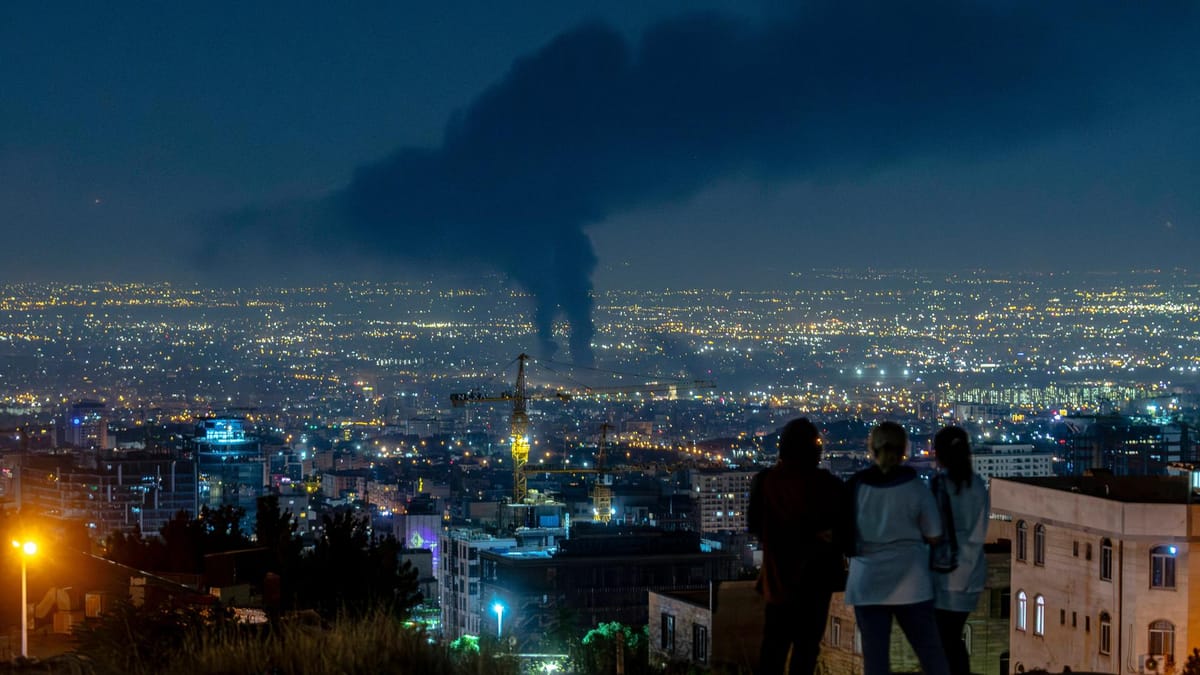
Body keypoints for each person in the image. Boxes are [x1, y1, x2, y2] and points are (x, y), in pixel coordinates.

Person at [845, 421, 950, 675]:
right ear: (904, 450)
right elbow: (935, 534)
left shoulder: (856, 487)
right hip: (911, 582)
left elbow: (843, 533)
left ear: (871, 448)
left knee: (876, 660)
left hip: (867, 582)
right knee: (931, 654)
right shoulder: (916, 489)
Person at [748, 418, 847, 675]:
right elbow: (844, 534)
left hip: (778, 580)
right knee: (805, 653)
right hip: (817, 583)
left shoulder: (766, 483)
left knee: (773, 651)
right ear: (815, 451)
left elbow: (755, 525)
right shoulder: (830, 486)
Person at [932, 425, 990, 675]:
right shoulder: (977, 485)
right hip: (971, 574)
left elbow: (930, 530)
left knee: (944, 640)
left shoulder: (939, 486)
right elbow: (979, 533)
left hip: (943, 574)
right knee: (952, 639)